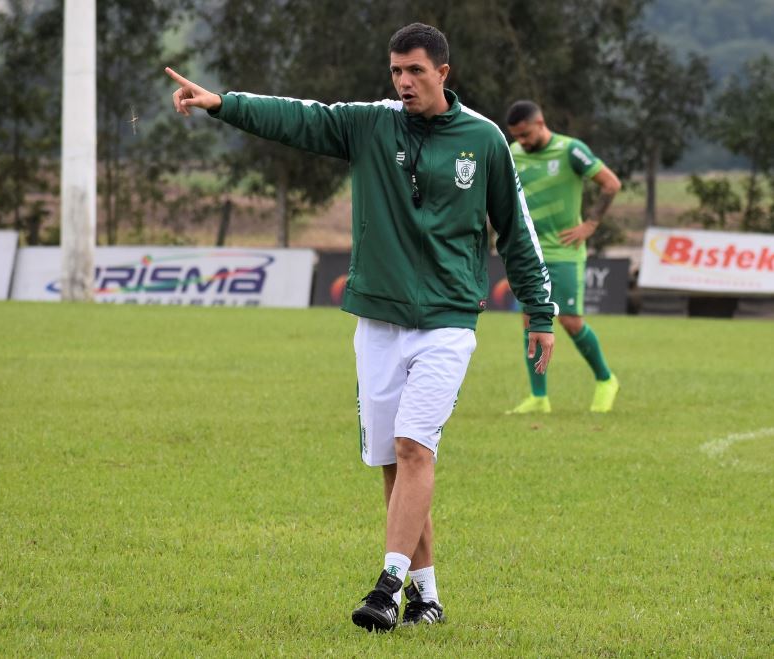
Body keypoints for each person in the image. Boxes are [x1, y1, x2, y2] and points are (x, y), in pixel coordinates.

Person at [167, 23, 557, 632]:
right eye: (396, 70)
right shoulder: (369, 122)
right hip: (377, 319)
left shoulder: (483, 140)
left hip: (448, 322)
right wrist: (222, 104)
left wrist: (540, 313)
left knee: (414, 446)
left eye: (415, 71)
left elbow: (517, 231)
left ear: (443, 73)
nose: (402, 82)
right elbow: (297, 118)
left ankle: (386, 587)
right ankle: (426, 597)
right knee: (393, 463)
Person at [504, 101, 621, 414]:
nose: (523, 141)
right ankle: (539, 397)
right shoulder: (513, 154)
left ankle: (606, 379)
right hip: (529, 253)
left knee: (569, 321)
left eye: (526, 134)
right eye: (517, 136)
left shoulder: (571, 150)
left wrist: (591, 224)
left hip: (563, 251)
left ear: (541, 122)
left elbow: (611, 183)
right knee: (530, 322)